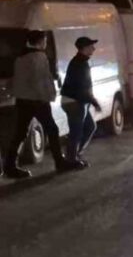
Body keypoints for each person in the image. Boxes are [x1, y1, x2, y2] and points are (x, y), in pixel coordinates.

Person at [2, 31, 73, 179]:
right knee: (52, 129)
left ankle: (10, 166)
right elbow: (42, 81)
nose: (46, 44)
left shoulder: (20, 57)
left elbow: (16, 80)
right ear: (40, 42)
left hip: (22, 100)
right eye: (45, 41)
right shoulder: (39, 57)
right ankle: (59, 161)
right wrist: (50, 96)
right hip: (37, 100)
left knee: (20, 133)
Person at [61, 36, 101, 167]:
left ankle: (74, 155)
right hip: (74, 102)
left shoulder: (81, 61)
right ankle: (72, 159)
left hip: (77, 101)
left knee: (89, 127)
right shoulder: (79, 63)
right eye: (91, 46)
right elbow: (83, 88)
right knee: (76, 132)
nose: (93, 48)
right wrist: (95, 102)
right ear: (84, 48)